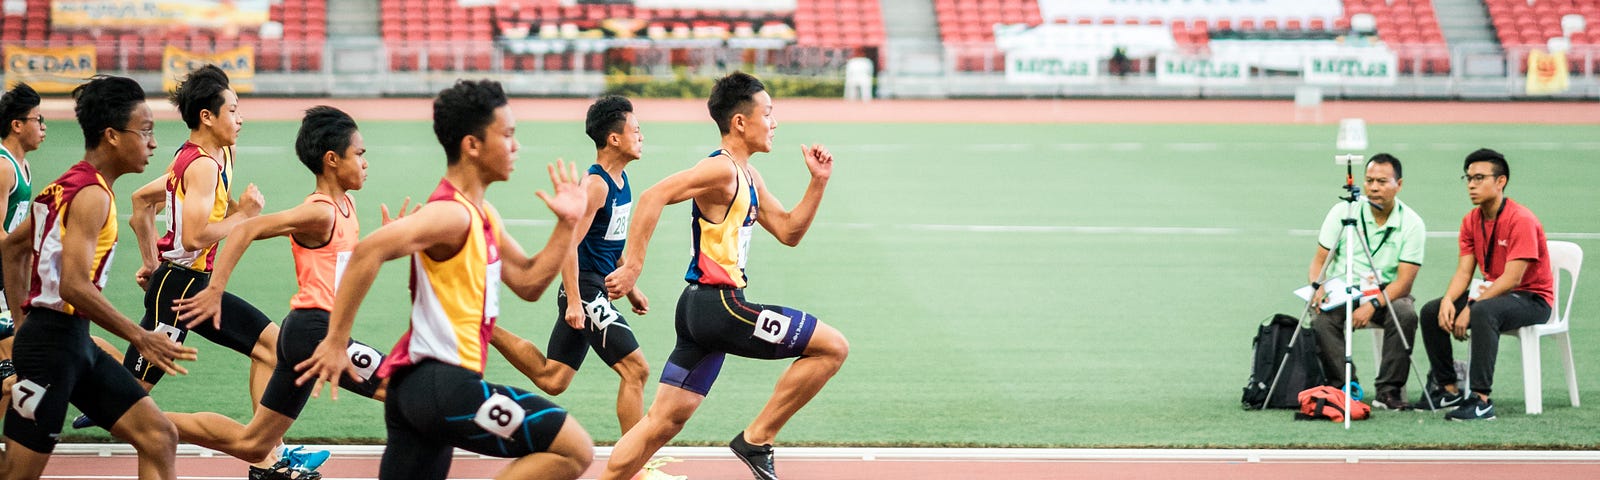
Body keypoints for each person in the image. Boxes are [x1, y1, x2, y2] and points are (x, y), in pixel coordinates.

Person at [294, 79, 592, 480]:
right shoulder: (451, 214)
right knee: (573, 449)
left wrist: (566, 225)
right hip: (443, 384)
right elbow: (369, 251)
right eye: (507, 135)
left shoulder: (483, 215)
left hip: (417, 391)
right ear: (472, 145)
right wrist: (334, 341)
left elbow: (529, 281)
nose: (516, 146)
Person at [598, 72, 850, 480]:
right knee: (832, 348)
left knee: (663, 421)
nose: (774, 123)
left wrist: (817, 184)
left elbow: (788, 231)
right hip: (720, 307)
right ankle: (756, 439)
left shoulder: (748, 175)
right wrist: (632, 266)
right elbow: (653, 196)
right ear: (739, 122)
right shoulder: (720, 170)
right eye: (767, 113)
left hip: (699, 310)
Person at [163, 106, 389, 480]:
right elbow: (245, 230)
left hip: (304, 333)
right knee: (403, 391)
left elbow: (344, 272)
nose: (365, 163)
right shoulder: (319, 212)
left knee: (253, 444)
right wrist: (215, 289)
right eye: (360, 154)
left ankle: (135, 415)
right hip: (315, 333)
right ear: (332, 160)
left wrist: (384, 242)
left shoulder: (345, 204)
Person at [0, 74, 198, 480]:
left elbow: (11, 249)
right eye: (145, 132)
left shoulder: (63, 185)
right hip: (50, 352)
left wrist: (22, 325)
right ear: (111, 135)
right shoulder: (90, 195)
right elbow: (73, 284)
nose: (153, 143)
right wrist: (140, 336)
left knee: (159, 436)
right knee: (18, 475)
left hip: (71, 341)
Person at [96, 65, 276, 431]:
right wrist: (244, 215)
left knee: (271, 348)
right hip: (180, 289)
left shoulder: (221, 155)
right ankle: (64, 354)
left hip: (186, 284)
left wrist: (151, 263)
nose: (240, 120)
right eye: (233, 111)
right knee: (131, 398)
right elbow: (194, 237)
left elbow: (141, 201)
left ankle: (267, 453)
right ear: (206, 117)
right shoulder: (201, 167)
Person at [490, 95, 652, 435]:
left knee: (554, 378)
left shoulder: (622, 182)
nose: (641, 137)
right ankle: (636, 466)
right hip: (587, 290)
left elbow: (611, 241)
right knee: (635, 370)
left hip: (596, 289)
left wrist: (632, 287)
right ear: (614, 138)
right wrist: (576, 301)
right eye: (635, 130)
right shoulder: (595, 186)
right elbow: (568, 247)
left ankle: (483, 326)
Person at [1416, 148, 1553, 421]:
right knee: (1432, 312)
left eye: (1479, 178)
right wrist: (1447, 300)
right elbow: (1464, 272)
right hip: (1491, 293)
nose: (1471, 184)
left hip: (1531, 299)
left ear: (1500, 181)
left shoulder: (1521, 220)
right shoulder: (1471, 220)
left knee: (1482, 311)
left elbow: (1512, 279)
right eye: (1468, 178)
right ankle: (1448, 388)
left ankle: (1480, 400)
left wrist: (1472, 305)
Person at [1307, 153, 1424, 411]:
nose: (1373, 187)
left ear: (1399, 185)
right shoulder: (1343, 211)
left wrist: (1371, 304)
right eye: (1369, 180)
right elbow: (1319, 262)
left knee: (1405, 313)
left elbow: (1404, 283)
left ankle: (1389, 390)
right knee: (1320, 320)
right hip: (1343, 290)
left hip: (1387, 293)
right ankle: (1345, 388)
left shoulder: (1412, 224)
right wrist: (1319, 287)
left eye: (1382, 181)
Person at [0, 82, 45, 339]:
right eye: (37, 119)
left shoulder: (23, 165)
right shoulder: (4, 167)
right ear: (17, 125)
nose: (42, 126)